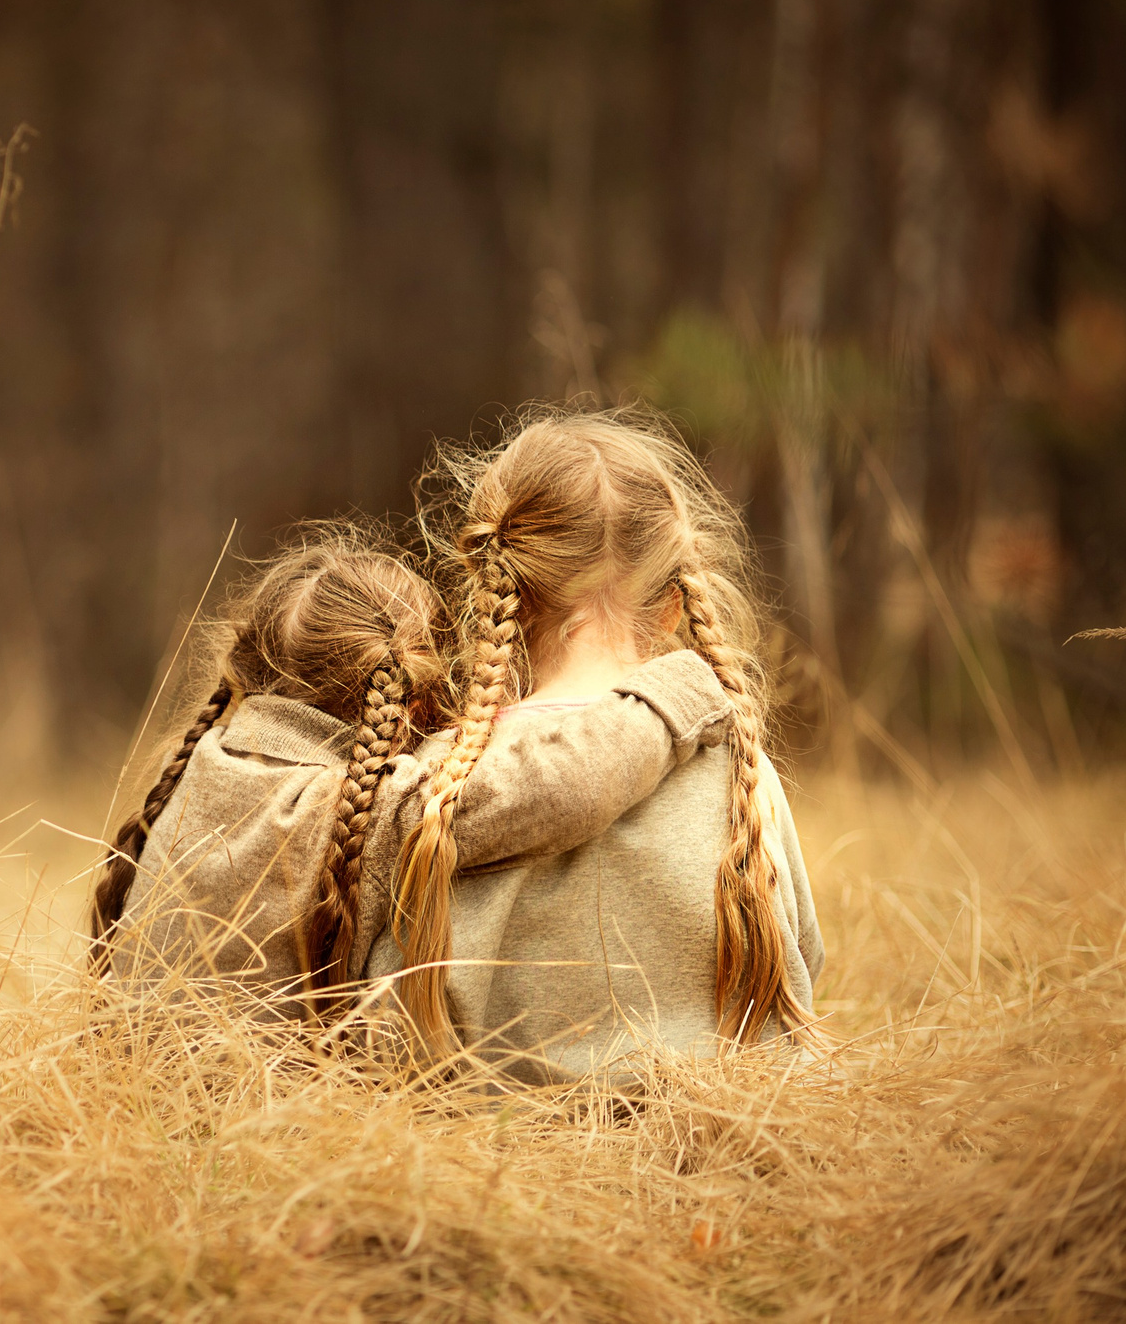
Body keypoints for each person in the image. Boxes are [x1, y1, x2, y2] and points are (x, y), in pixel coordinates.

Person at [91, 530, 721, 1030]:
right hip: (253, 1124)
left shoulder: (199, 767)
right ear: (413, 701)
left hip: (136, 1093)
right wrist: (674, 689)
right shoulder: (366, 810)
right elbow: (558, 788)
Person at [370, 408, 825, 1083]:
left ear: (502, 597)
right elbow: (802, 955)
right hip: (724, 1136)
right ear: (673, 605)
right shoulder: (739, 765)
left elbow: (386, 993)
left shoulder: (443, 783)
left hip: (495, 1148)